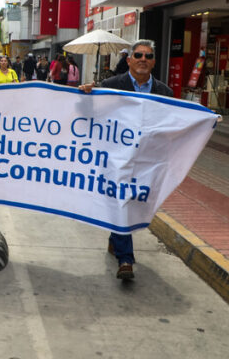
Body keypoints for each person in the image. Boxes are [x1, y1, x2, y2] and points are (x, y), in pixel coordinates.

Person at [80, 39, 172, 280]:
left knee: (132, 204)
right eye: (139, 55)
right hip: (116, 158)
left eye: (148, 56)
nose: (143, 60)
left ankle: (114, 239)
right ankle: (126, 259)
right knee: (119, 200)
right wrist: (86, 97)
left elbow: (173, 124)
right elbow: (90, 115)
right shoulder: (111, 86)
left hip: (146, 161)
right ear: (129, 60)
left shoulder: (165, 92)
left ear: (153, 62)